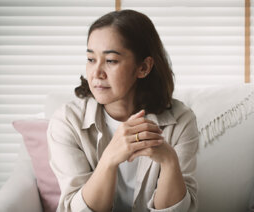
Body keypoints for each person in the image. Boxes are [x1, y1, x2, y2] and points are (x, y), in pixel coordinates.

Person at [47, 9, 199, 212]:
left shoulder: (181, 120)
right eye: (91, 59)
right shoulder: (67, 121)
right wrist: (110, 158)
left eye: (110, 61)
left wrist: (169, 160)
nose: (96, 73)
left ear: (143, 67)